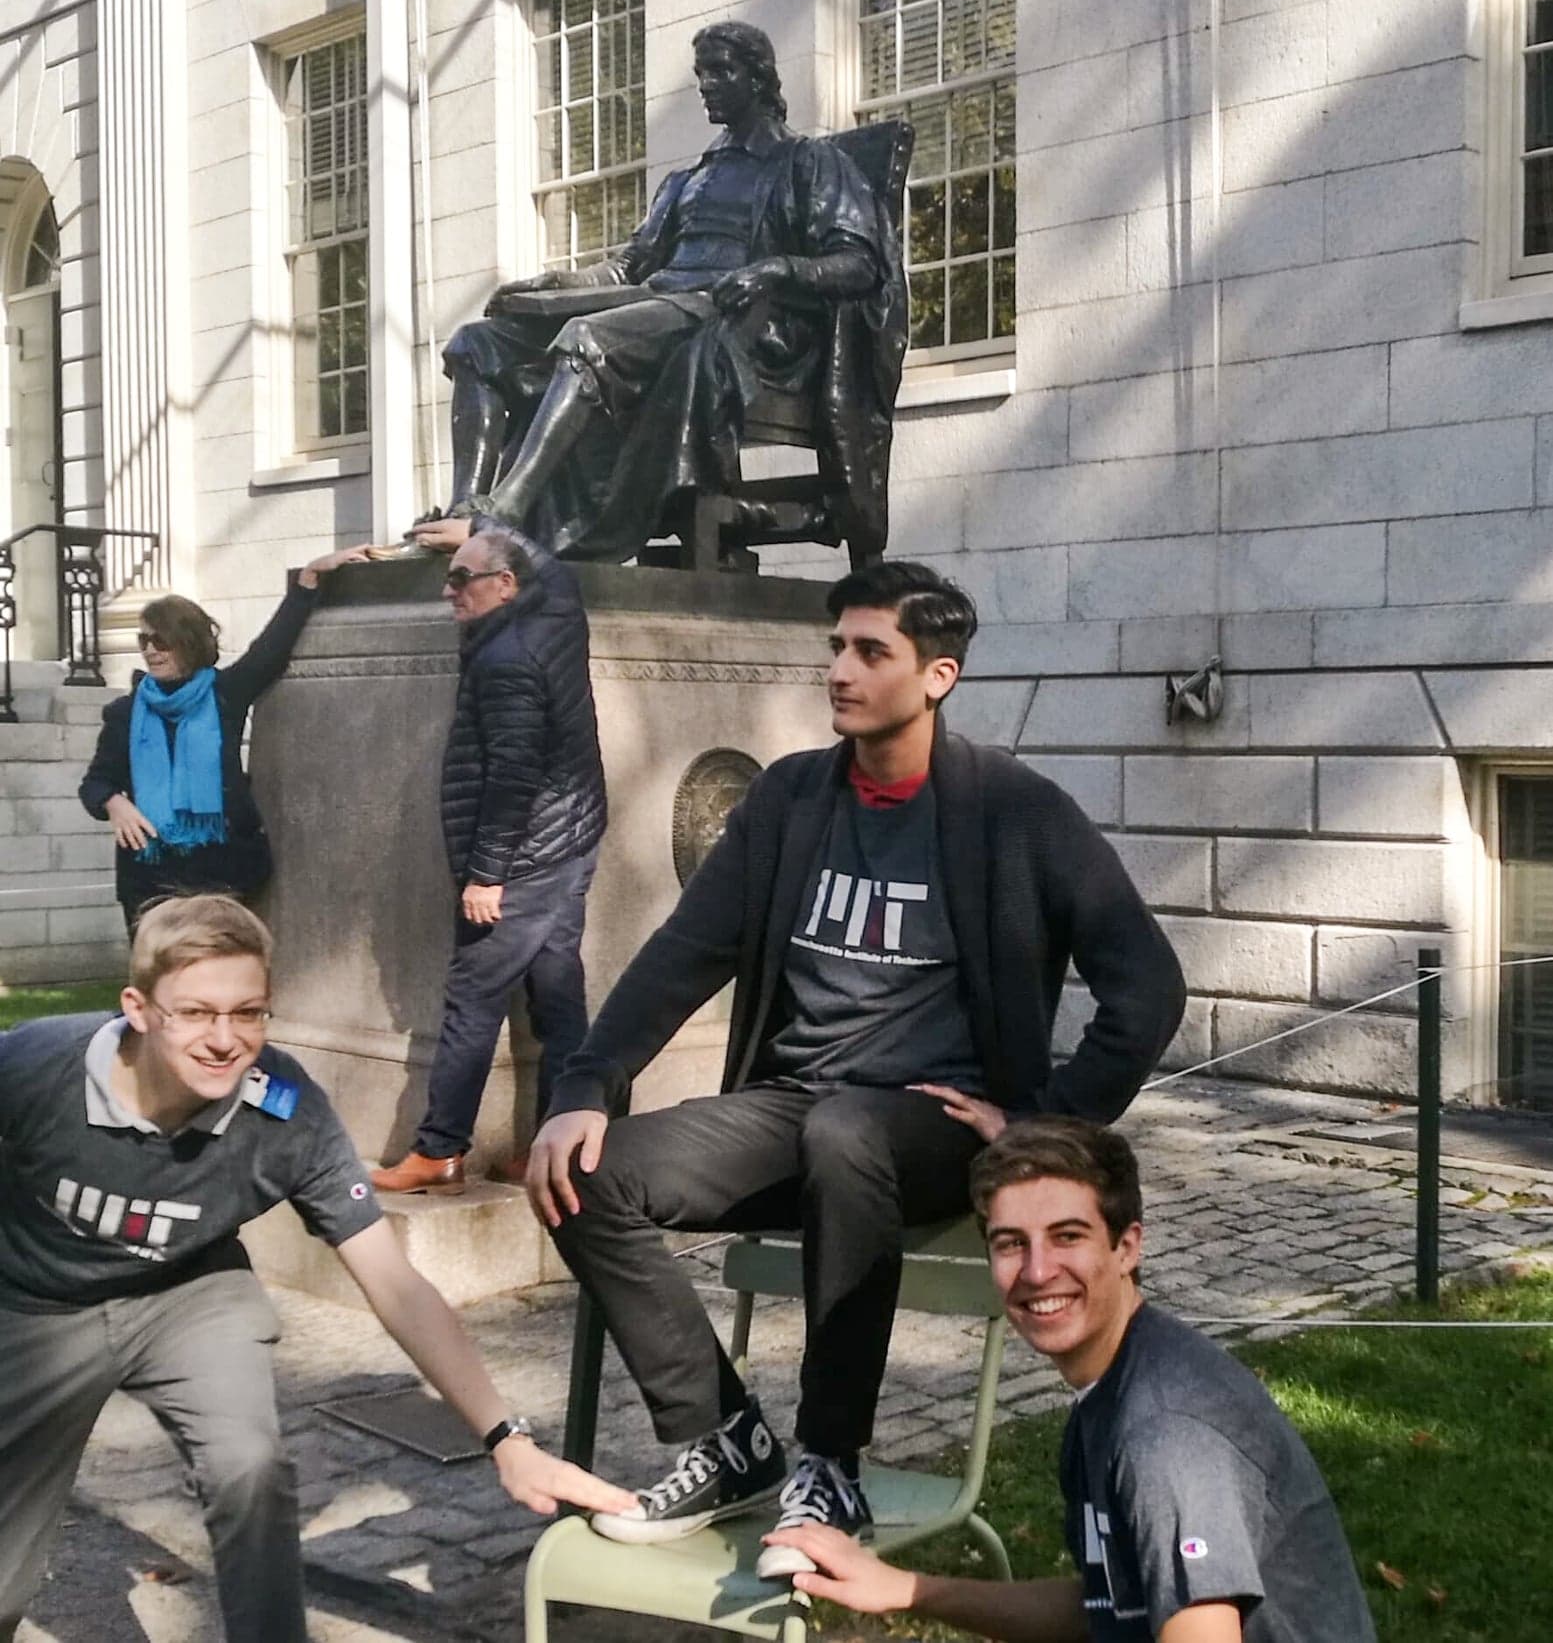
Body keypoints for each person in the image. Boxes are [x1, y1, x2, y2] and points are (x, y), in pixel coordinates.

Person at [526, 560, 1187, 1575]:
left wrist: (1040, 1124)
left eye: (868, 650)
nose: (838, 667)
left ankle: (829, 1456)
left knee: (847, 1131)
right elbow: (681, 954)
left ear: (937, 674)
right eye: (834, 644)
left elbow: (1145, 986)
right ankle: (725, 1436)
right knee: (584, 1173)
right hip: (790, 1108)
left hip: (923, 1129)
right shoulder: (792, 797)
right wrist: (583, 1086)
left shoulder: (1013, 811)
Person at [0, 893, 632, 1643]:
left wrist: (507, 1440)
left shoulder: (287, 1110)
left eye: (249, 1012)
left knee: (250, 1469)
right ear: (138, 1007)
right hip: (36, 1308)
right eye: (196, 1012)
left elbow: (393, 1283)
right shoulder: (37, 1066)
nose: (224, 1039)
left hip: (188, 1295)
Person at [769, 1119, 1378, 1643]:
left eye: (1068, 1236)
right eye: (1012, 1244)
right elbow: (1107, 1605)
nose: (1037, 1271)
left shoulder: (1165, 1438)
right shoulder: (1111, 1389)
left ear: (1127, 1247)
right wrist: (904, 1587)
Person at [410, 19, 906, 564]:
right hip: (656, 307)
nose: (706, 84)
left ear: (761, 78)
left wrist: (777, 270)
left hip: (738, 326)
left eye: (721, 70)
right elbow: (627, 270)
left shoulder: (808, 163)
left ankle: (502, 516)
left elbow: (859, 263)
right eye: (701, 73)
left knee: (586, 339)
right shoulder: (688, 181)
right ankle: (463, 512)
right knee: (477, 344)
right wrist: (559, 281)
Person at [371, 522, 606, 1194]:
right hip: (572, 835)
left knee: (473, 997)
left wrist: (486, 874)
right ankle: (554, 1142)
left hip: (527, 855)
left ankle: (439, 1148)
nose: (449, 590)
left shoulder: (506, 659)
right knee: (558, 998)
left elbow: (511, 774)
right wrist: (478, 532)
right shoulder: (554, 615)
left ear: (504, 586)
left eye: (461, 578)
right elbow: (555, 572)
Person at [79, 550, 369, 934]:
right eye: (144, 639)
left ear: (188, 642)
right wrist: (114, 803)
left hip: (222, 872)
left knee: (219, 978)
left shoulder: (224, 695)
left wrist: (308, 581)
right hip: (149, 876)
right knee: (162, 986)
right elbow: (95, 783)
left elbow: (269, 651)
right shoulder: (125, 712)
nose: (150, 649)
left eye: (161, 640)